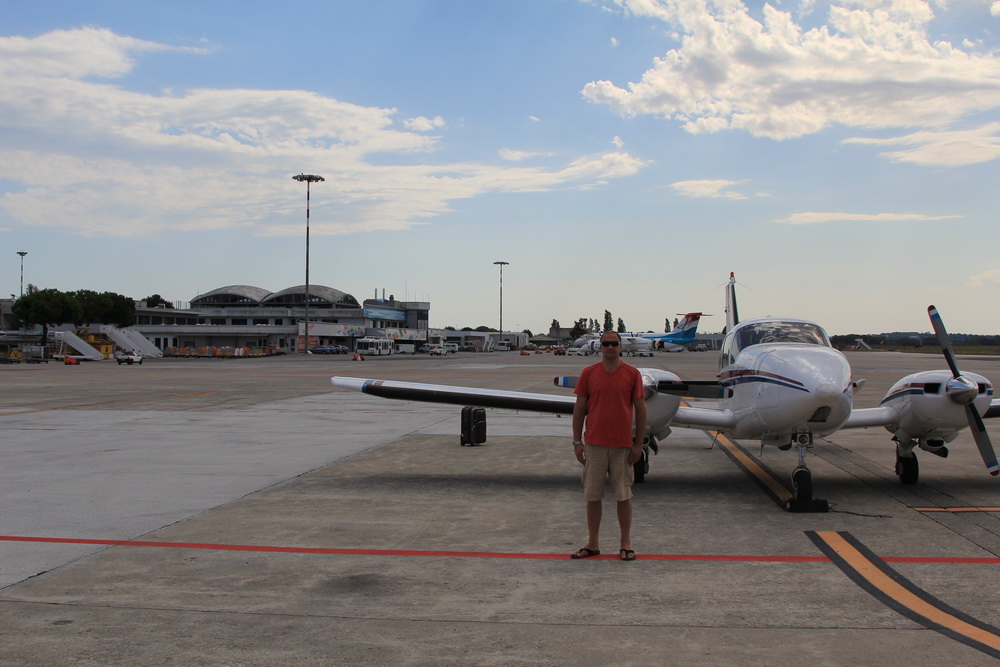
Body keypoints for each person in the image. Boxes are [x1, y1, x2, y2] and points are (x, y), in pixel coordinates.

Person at [570, 330, 647, 561]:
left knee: (623, 495)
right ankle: (592, 543)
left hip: (622, 446)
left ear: (620, 346)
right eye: (606, 344)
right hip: (594, 445)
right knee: (593, 495)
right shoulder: (589, 373)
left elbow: (641, 409)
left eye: (614, 344)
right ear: (600, 346)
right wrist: (577, 442)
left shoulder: (632, 374)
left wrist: (638, 444)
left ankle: (626, 543)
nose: (610, 348)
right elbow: (579, 409)